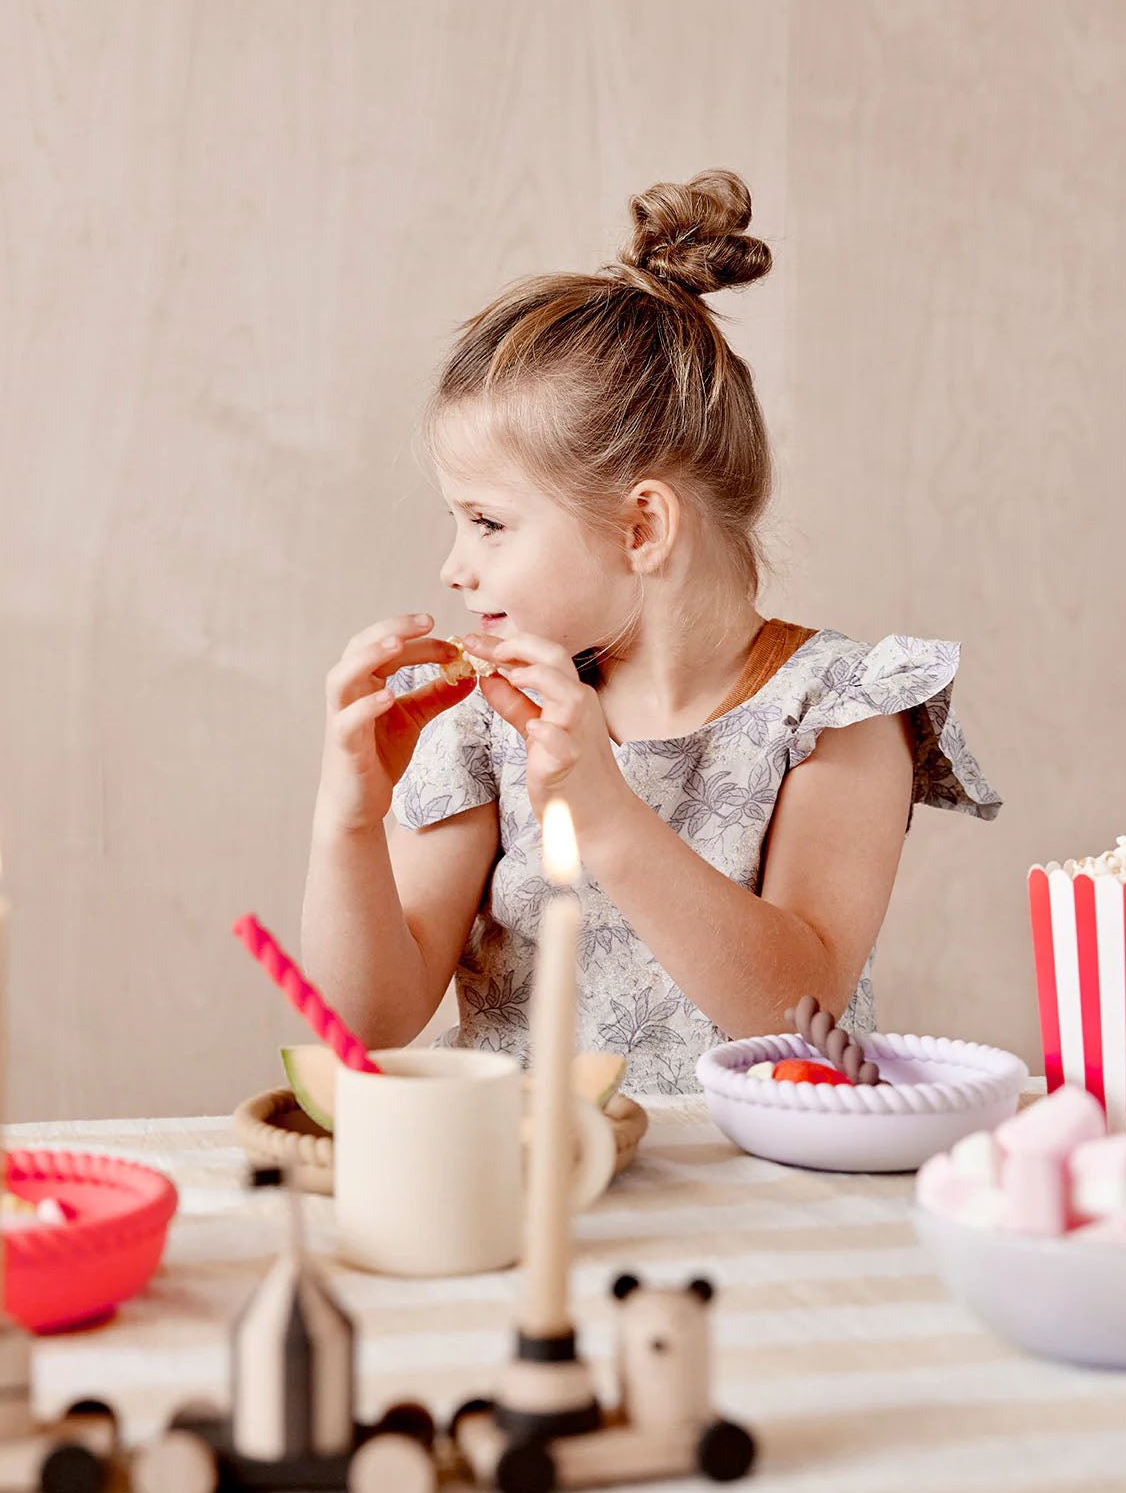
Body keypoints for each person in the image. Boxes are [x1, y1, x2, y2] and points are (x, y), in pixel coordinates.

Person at [301, 169, 1001, 1094]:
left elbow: (801, 1011)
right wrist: (348, 820)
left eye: (489, 522)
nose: (454, 569)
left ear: (641, 528)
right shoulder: (482, 721)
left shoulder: (840, 710)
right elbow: (370, 1023)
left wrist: (604, 811)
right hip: (525, 1170)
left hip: (756, 1172)